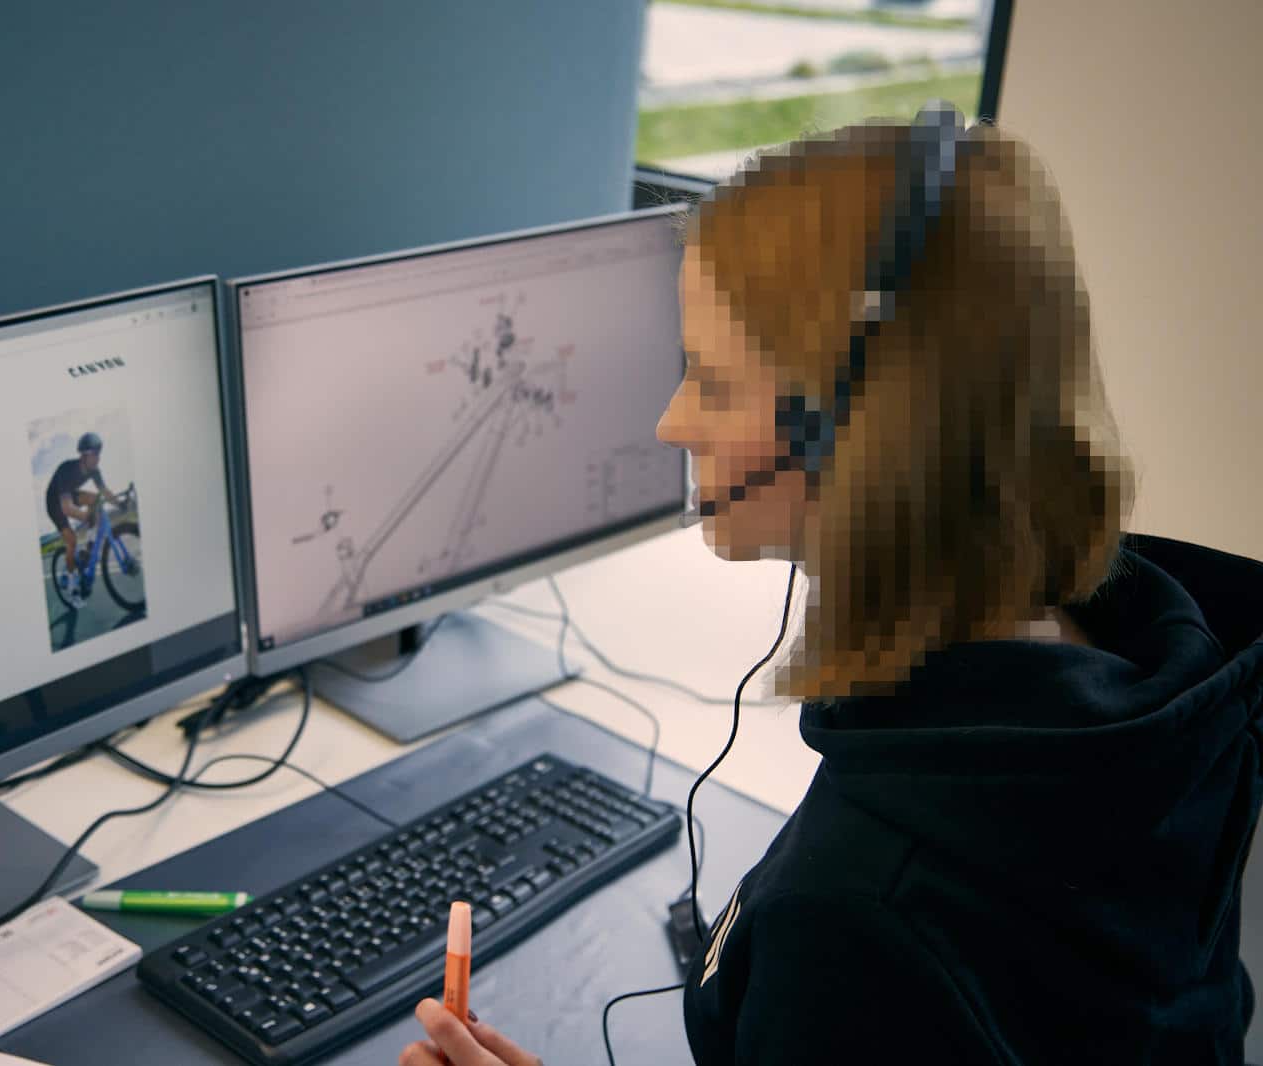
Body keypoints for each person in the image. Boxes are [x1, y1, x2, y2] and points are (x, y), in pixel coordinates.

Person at [401, 114, 1263, 1063]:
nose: (670, 423)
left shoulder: (857, 919)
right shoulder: (1151, 694)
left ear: (860, 435)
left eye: (715, 381)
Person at [46, 431, 127, 609]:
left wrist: (120, 504)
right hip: (54, 503)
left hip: (69, 496)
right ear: (84, 455)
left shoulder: (94, 471)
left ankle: (89, 547)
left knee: (96, 500)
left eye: (100, 453)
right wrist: (87, 517)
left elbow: (104, 491)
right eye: (95, 454)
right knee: (72, 541)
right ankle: (74, 588)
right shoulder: (67, 470)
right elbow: (66, 508)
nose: (99, 458)